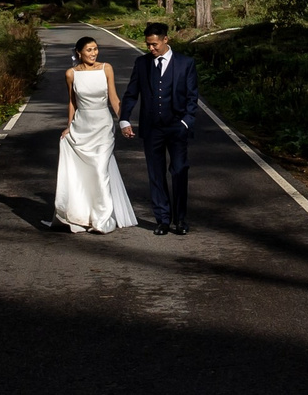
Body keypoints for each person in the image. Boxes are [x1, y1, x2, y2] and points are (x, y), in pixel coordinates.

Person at [117, 22, 199, 236]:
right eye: (148, 45)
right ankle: (162, 220)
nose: (151, 49)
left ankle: (180, 219)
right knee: (156, 174)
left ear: (165, 39)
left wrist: (185, 123)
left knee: (179, 171)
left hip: (177, 127)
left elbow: (192, 97)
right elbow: (131, 92)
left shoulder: (185, 63)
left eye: (154, 45)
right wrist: (124, 119)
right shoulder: (142, 63)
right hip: (152, 128)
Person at [52, 36, 137, 234]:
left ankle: (103, 220)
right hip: (82, 126)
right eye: (89, 50)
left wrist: (123, 121)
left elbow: (114, 98)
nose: (93, 53)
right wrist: (68, 126)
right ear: (79, 52)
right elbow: (72, 102)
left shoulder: (106, 68)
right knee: (85, 173)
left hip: (103, 126)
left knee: (100, 170)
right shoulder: (71, 74)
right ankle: (84, 215)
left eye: (95, 49)